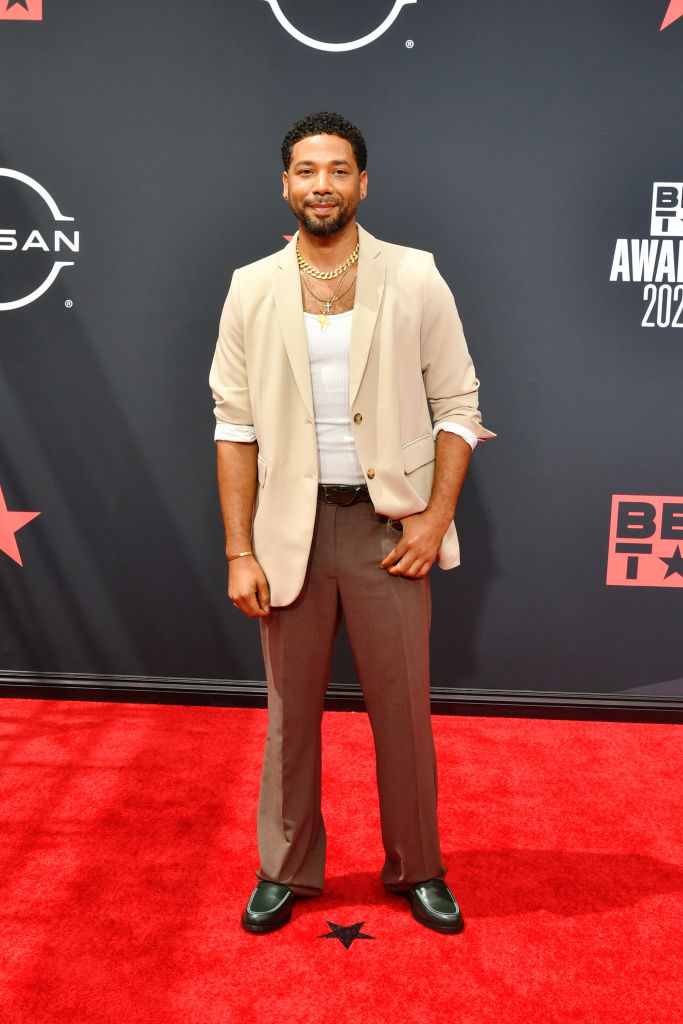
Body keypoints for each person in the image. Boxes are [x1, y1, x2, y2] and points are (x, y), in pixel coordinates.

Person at [210, 111, 494, 936]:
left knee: (402, 714)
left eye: (338, 170)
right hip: (289, 535)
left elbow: (459, 406)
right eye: (306, 171)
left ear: (362, 183)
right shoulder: (250, 286)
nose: (322, 184)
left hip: (387, 533)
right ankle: (285, 869)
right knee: (289, 719)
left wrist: (433, 519)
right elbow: (233, 427)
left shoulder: (414, 275)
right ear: (285, 185)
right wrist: (239, 549)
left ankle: (418, 866)